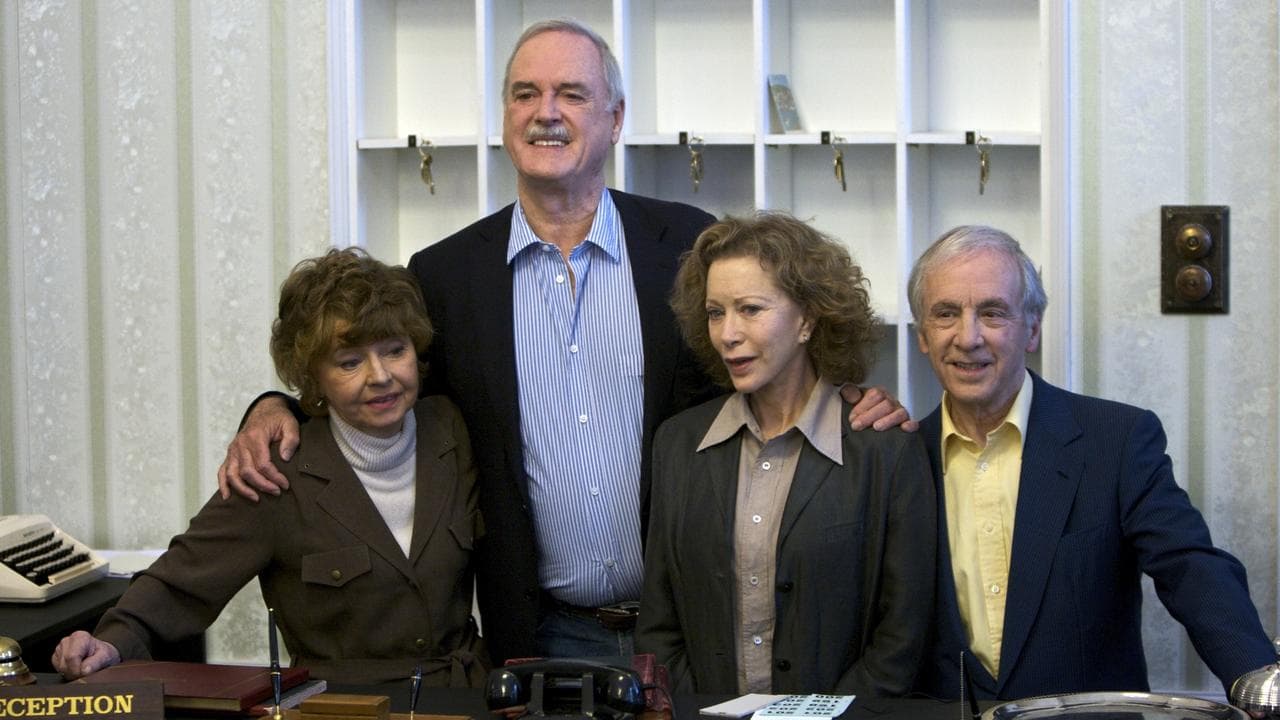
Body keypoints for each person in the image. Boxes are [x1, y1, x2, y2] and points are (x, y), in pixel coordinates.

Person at [216, 20, 911, 664]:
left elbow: (766, 366)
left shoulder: (687, 245)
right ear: (505, 117)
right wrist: (277, 407)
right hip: (541, 635)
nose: (545, 112)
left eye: (572, 94)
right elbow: (382, 393)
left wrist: (846, 399)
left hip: (694, 623)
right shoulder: (446, 276)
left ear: (615, 119)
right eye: (526, 93)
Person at [52, 249, 486, 686]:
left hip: (465, 698)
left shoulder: (453, 430)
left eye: (394, 350)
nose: (380, 376)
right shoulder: (276, 472)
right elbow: (181, 582)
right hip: (342, 705)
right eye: (350, 362)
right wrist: (110, 642)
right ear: (314, 377)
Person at [908, 225, 1275, 700]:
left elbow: (1188, 565)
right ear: (923, 335)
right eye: (945, 314)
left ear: (1032, 329)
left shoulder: (1117, 440)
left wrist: (1255, 675)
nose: (968, 337)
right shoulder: (898, 457)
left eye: (993, 313)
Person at [636, 213, 935, 696]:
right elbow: (659, 621)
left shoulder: (884, 448)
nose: (727, 333)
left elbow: (902, 633)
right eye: (715, 313)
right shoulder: (678, 443)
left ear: (808, 319)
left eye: (750, 309)